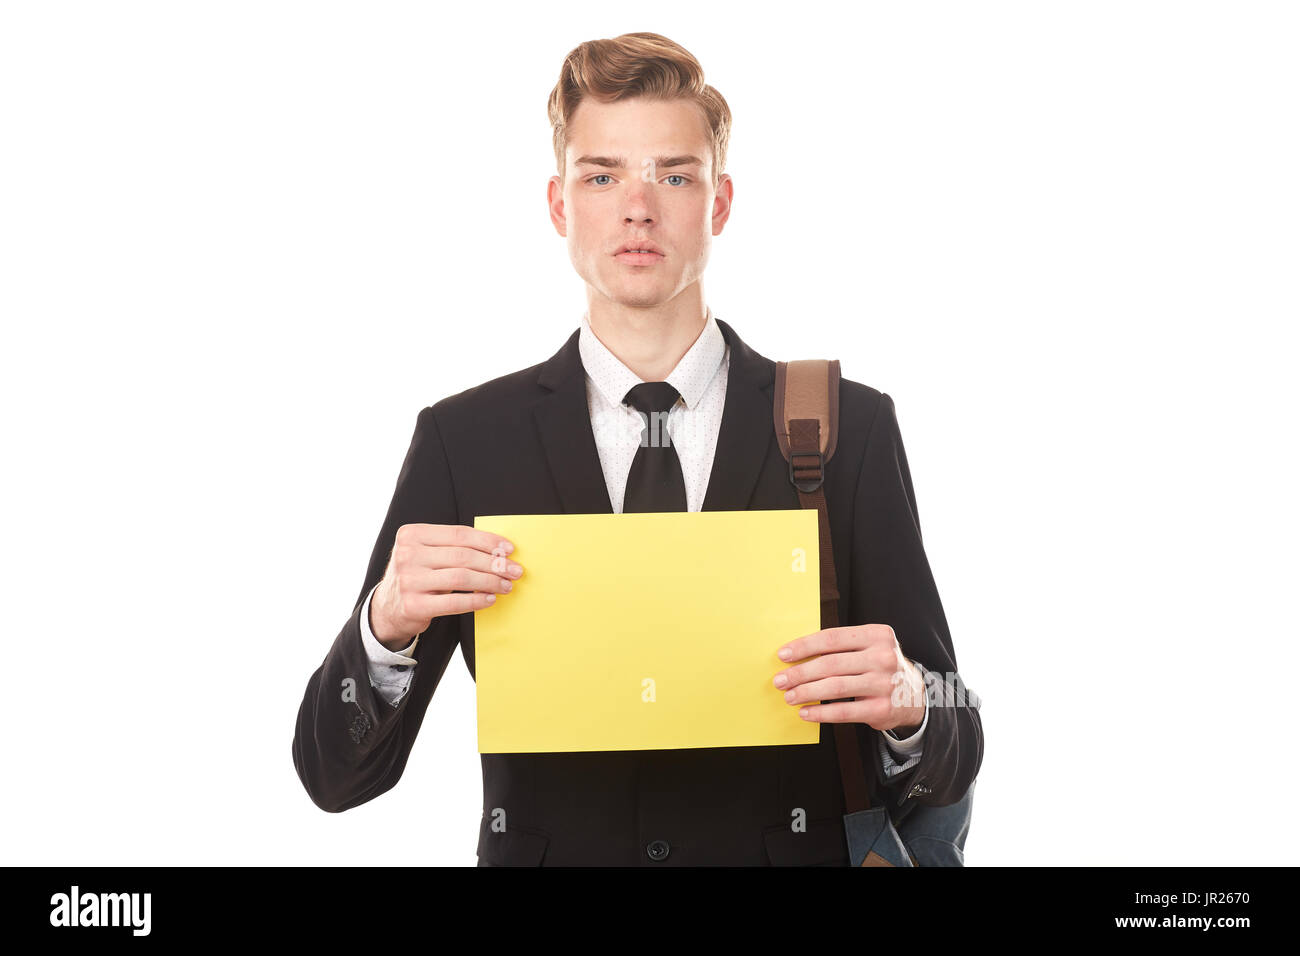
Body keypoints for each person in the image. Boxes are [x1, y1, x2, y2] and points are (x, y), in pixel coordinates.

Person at [291, 31, 983, 866]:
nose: (638, 207)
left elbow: (957, 731)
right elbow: (333, 777)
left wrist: (912, 702)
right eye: (602, 174)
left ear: (719, 203)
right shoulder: (466, 439)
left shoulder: (848, 430)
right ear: (559, 205)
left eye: (675, 175)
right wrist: (384, 627)